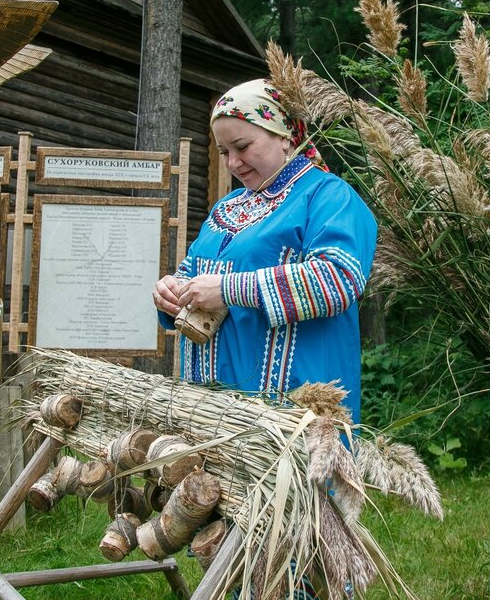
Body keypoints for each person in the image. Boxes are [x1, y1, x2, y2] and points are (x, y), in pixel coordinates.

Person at [153, 79, 377, 424]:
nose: (232, 163)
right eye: (224, 152)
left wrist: (228, 290)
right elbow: (194, 271)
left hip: (294, 409)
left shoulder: (329, 197)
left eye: (242, 146)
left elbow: (338, 279)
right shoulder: (226, 207)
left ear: (284, 135)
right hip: (212, 407)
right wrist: (172, 291)